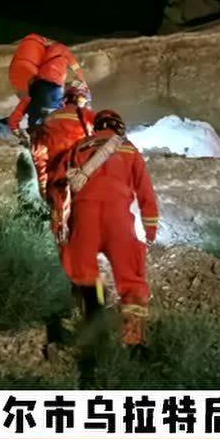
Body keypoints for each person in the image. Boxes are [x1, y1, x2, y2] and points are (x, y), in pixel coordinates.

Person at [50, 109, 159, 347]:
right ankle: (133, 340)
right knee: (131, 278)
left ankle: (94, 325)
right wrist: (150, 231)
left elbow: (58, 187)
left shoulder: (78, 147)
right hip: (118, 220)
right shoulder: (128, 149)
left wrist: (58, 225)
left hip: (84, 217)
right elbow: (146, 193)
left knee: (84, 272)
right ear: (119, 127)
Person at [7, 33, 88, 133]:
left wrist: (14, 127)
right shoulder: (59, 51)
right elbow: (73, 64)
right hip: (49, 89)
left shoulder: (35, 94)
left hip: (41, 87)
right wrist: (81, 78)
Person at [31, 84, 95, 201]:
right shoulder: (89, 117)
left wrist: (43, 184)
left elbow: (38, 153)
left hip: (55, 183)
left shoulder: (49, 118)